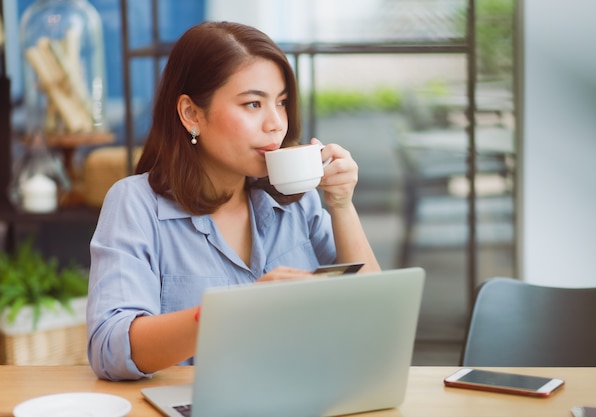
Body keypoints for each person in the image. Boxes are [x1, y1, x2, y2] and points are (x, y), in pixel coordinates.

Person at [87, 21, 381, 381]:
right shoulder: (136, 204)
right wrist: (237, 310)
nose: (276, 124)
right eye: (253, 103)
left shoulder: (296, 204)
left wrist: (340, 204)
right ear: (191, 114)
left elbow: (375, 316)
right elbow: (110, 349)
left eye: (282, 102)